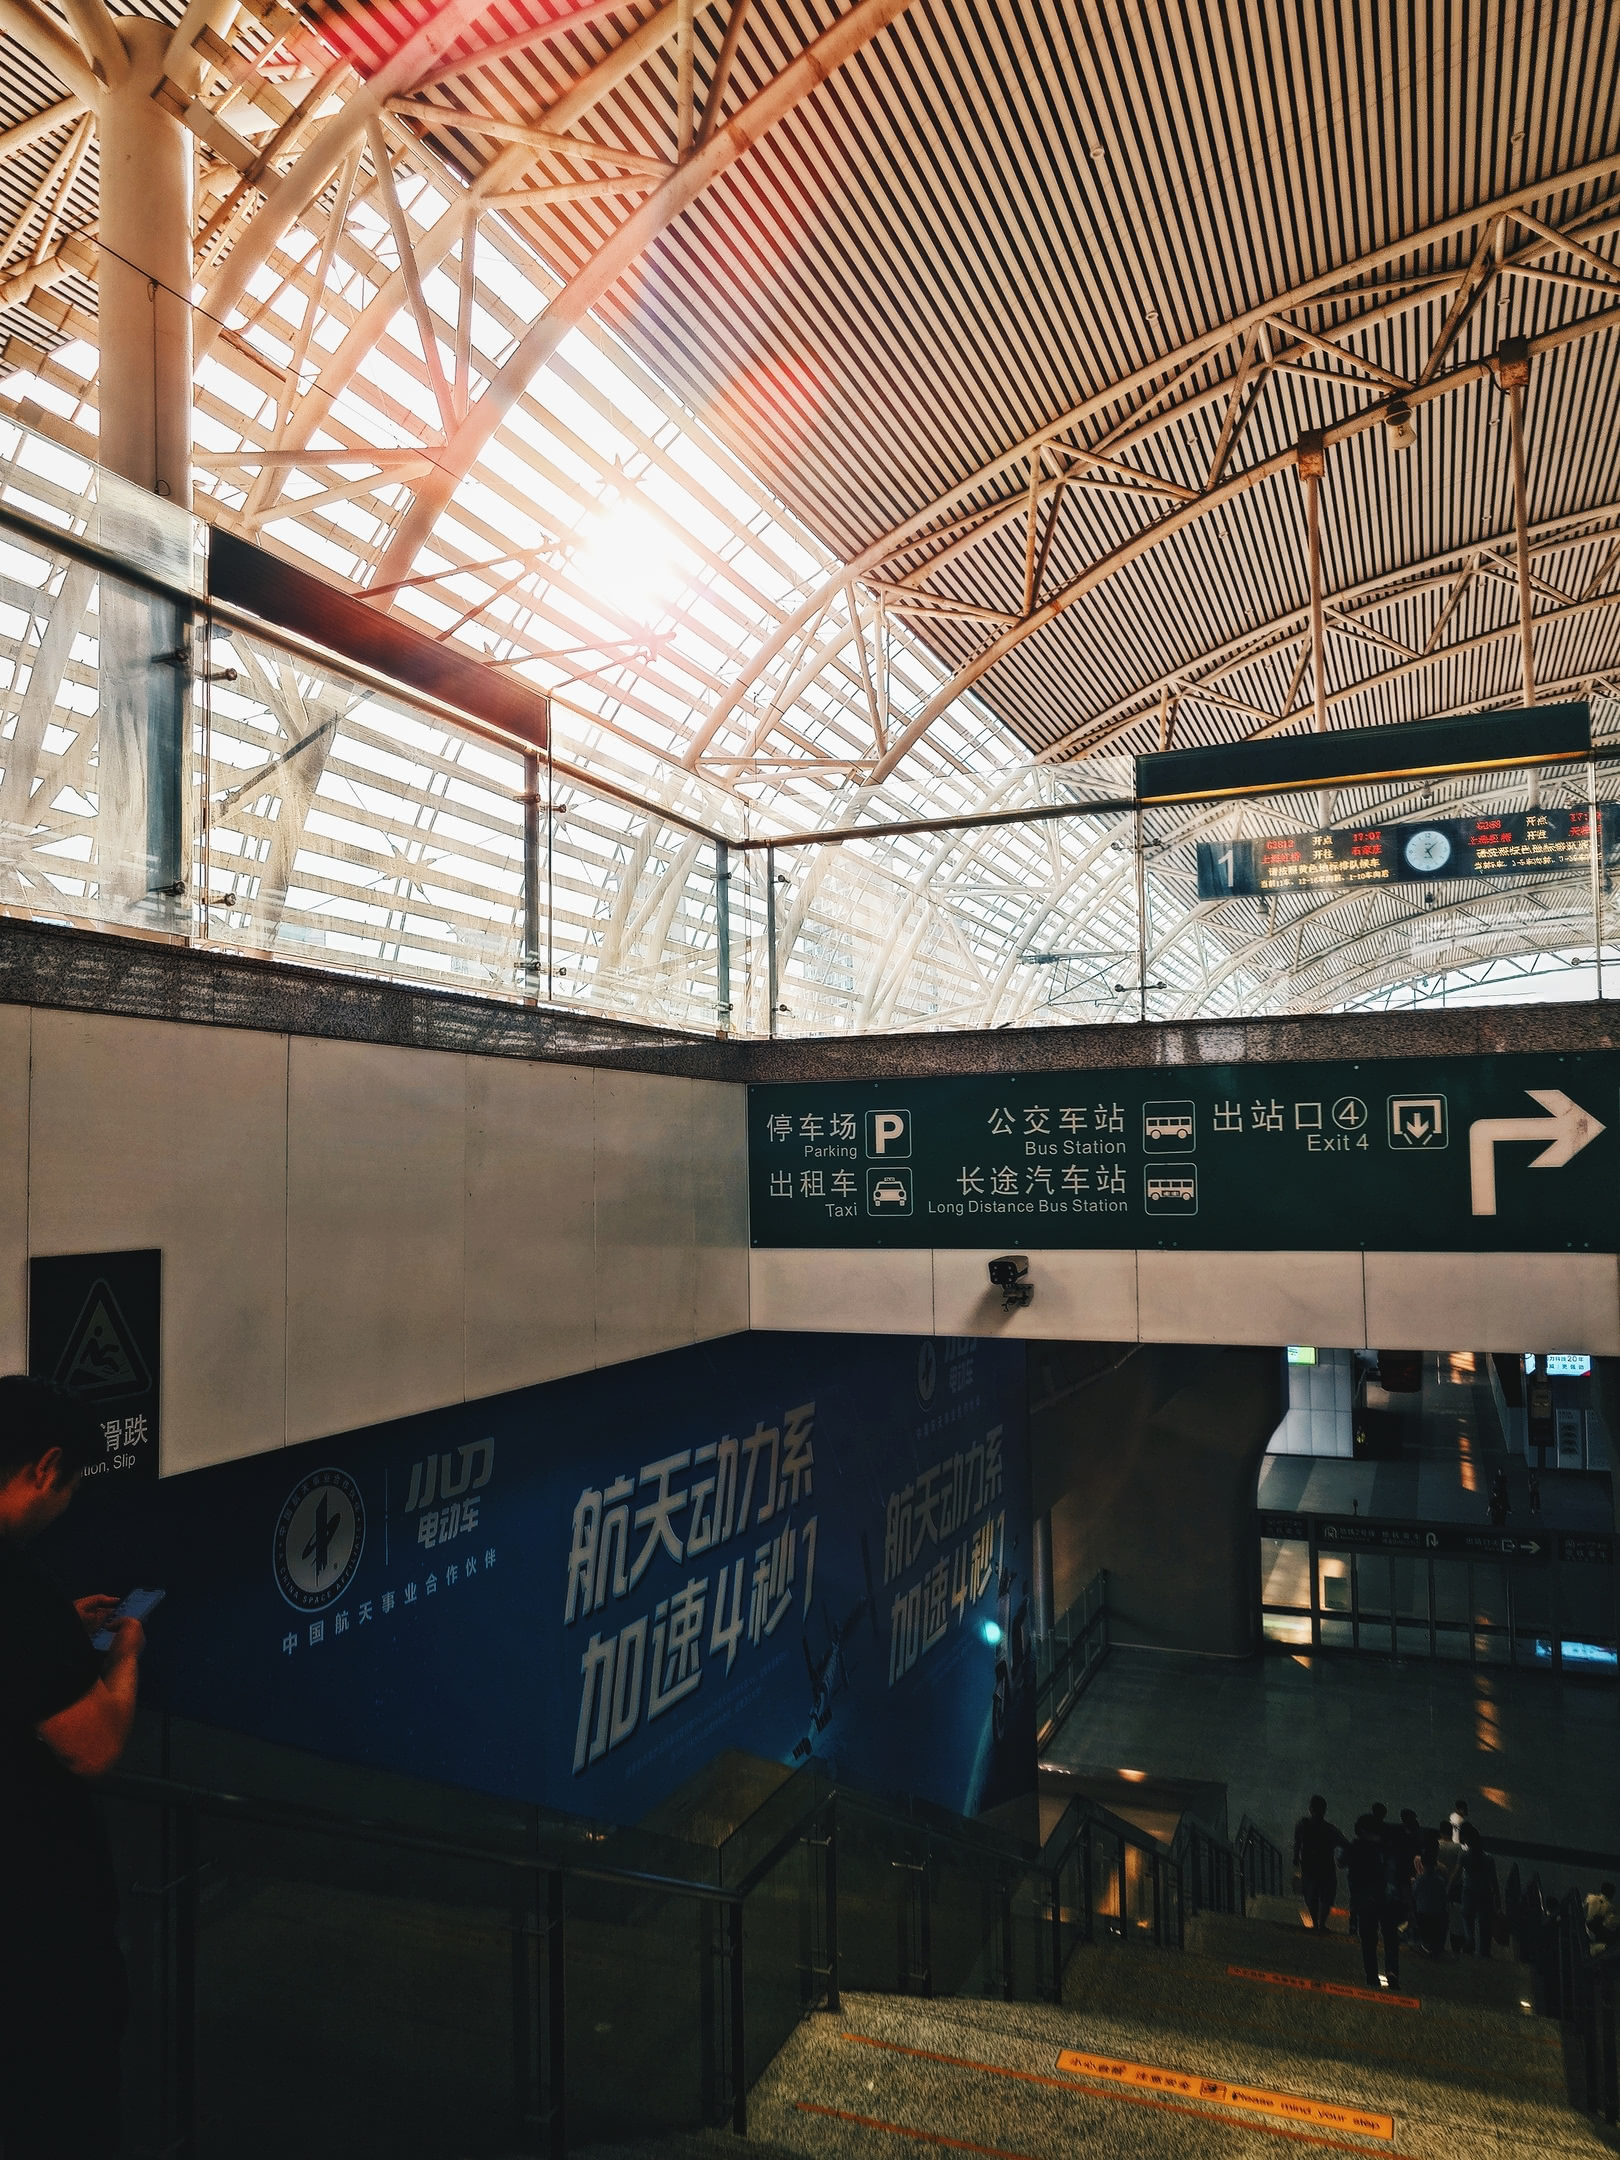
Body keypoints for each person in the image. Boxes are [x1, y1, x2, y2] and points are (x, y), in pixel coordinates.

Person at [0, 1376, 145, 2159]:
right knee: (61, 2112)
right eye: (76, 1484)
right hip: (34, 1935)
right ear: (47, 1466)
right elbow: (94, 1743)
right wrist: (123, 1659)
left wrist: (58, 1629)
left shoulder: (29, 1606)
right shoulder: (14, 1594)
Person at [1344, 1813, 1401, 1990]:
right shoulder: (1387, 1847)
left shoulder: (1356, 1846)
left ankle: (1372, 1977)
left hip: (1365, 1900)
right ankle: (1391, 1972)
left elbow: (1342, 1863)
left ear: (1361, 1830)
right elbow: (1395, 1873)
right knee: (1391, 1937)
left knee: (1368, 1940)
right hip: (1387, 1898)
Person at [1292, 1794, 1345, 1932]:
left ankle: (1315, 1922)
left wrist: (1295, 1857)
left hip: (1309, 1865)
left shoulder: (1302, 1824)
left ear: (1310, 1809)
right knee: (1327, 1895)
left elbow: (1297, 1842)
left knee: (1311, 1894)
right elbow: (1344, 1843)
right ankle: (1322, 1924)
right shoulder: (1331, 1829)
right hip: (1326, 1866)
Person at [1457, 1820, 1494, 1957]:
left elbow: (1456, 1873)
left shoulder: (1465, 1856)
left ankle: (1469, 1941)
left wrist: (1447, 1888)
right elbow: (1493, 1879)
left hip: (1468, 1891)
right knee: (1485, 1923)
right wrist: (1497, 1897)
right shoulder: (1488, 1858)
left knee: (1468, 1918)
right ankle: (1484, 1951)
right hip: (1485, 1892)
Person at [1410, 1848, 1451, 1958]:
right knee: (1434, 1933)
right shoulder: (1440, 1880)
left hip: (1422, 1911)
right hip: (1437, 1912)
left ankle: (1425, 1949)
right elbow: (1443, 1898)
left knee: (1424, 1934)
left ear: (1422, 1864)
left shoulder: (1419, 1880)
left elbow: (1413, 1895)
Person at [1585, 1883, 1620, 1950]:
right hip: (1596, 1932)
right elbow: (1610, 1922)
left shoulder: (1590, 1898)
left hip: (1586, 1929)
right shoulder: (1609, 1906)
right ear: (1611, 1893)